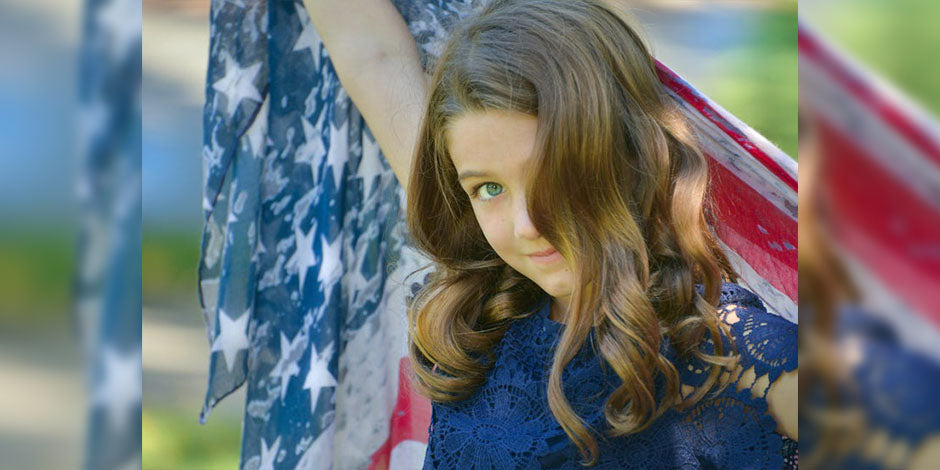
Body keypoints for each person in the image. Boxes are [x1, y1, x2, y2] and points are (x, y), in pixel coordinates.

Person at [305, 0, 797, 467]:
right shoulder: (483, 307)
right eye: (489, 187)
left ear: (627, 155)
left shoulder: (731, 353)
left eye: (550, 174)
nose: (527, 225)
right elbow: (373, 58)